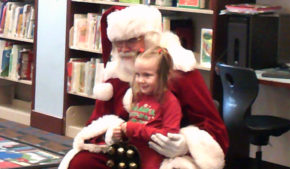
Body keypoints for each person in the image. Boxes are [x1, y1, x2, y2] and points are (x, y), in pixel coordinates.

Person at [59, 5, 229, 169]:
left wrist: (185, 143)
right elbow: (95, 124)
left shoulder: (180, 72)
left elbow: (214, 128)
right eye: (118, 42)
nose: (124, 49)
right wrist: (110, 133)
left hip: (166, 155)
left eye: (131, 40)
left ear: (149, 38)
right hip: (122, 150)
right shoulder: (116, 75)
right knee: (81, 163)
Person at [107, 46, 182, 169]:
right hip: (130, 155)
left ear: (165, 76)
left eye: (147, 75)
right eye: (138, 74)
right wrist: (122, 133)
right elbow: (134, 125)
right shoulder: (138, 96)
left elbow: (169, 137)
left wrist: (133, 128)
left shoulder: (170, 102)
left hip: (152, 159)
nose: (141, 80)